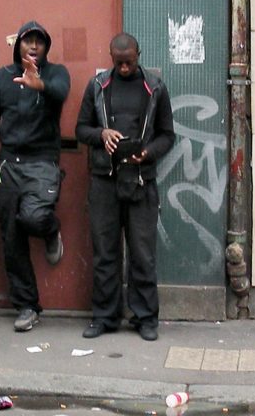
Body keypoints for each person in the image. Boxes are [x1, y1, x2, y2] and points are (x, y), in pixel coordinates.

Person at [75, 33, 175, 342]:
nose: (124, 68)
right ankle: (105, 317)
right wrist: (102, 134)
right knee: (105, 252)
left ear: (138, 55)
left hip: (141, 179)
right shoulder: (97, 86)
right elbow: (81, 129)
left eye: (129, 62)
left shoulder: (155, 88)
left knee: (142, 254)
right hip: (104, 180)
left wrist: (148, 153)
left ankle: (145, 318)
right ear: (110, 56)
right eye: (118, 62)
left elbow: (167, 135)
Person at [0, 21, 70, 333]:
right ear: (18, 44)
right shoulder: (3, 77)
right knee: (10, 234)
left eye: (39, 42)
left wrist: (39, 84)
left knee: (33, 217)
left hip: (42, 162)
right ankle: (27, 305)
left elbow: (61, 92)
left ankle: (51, 229)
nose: (33, 46)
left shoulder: (56, 73)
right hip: (6, 166)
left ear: (46, 47)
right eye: (27, 41)